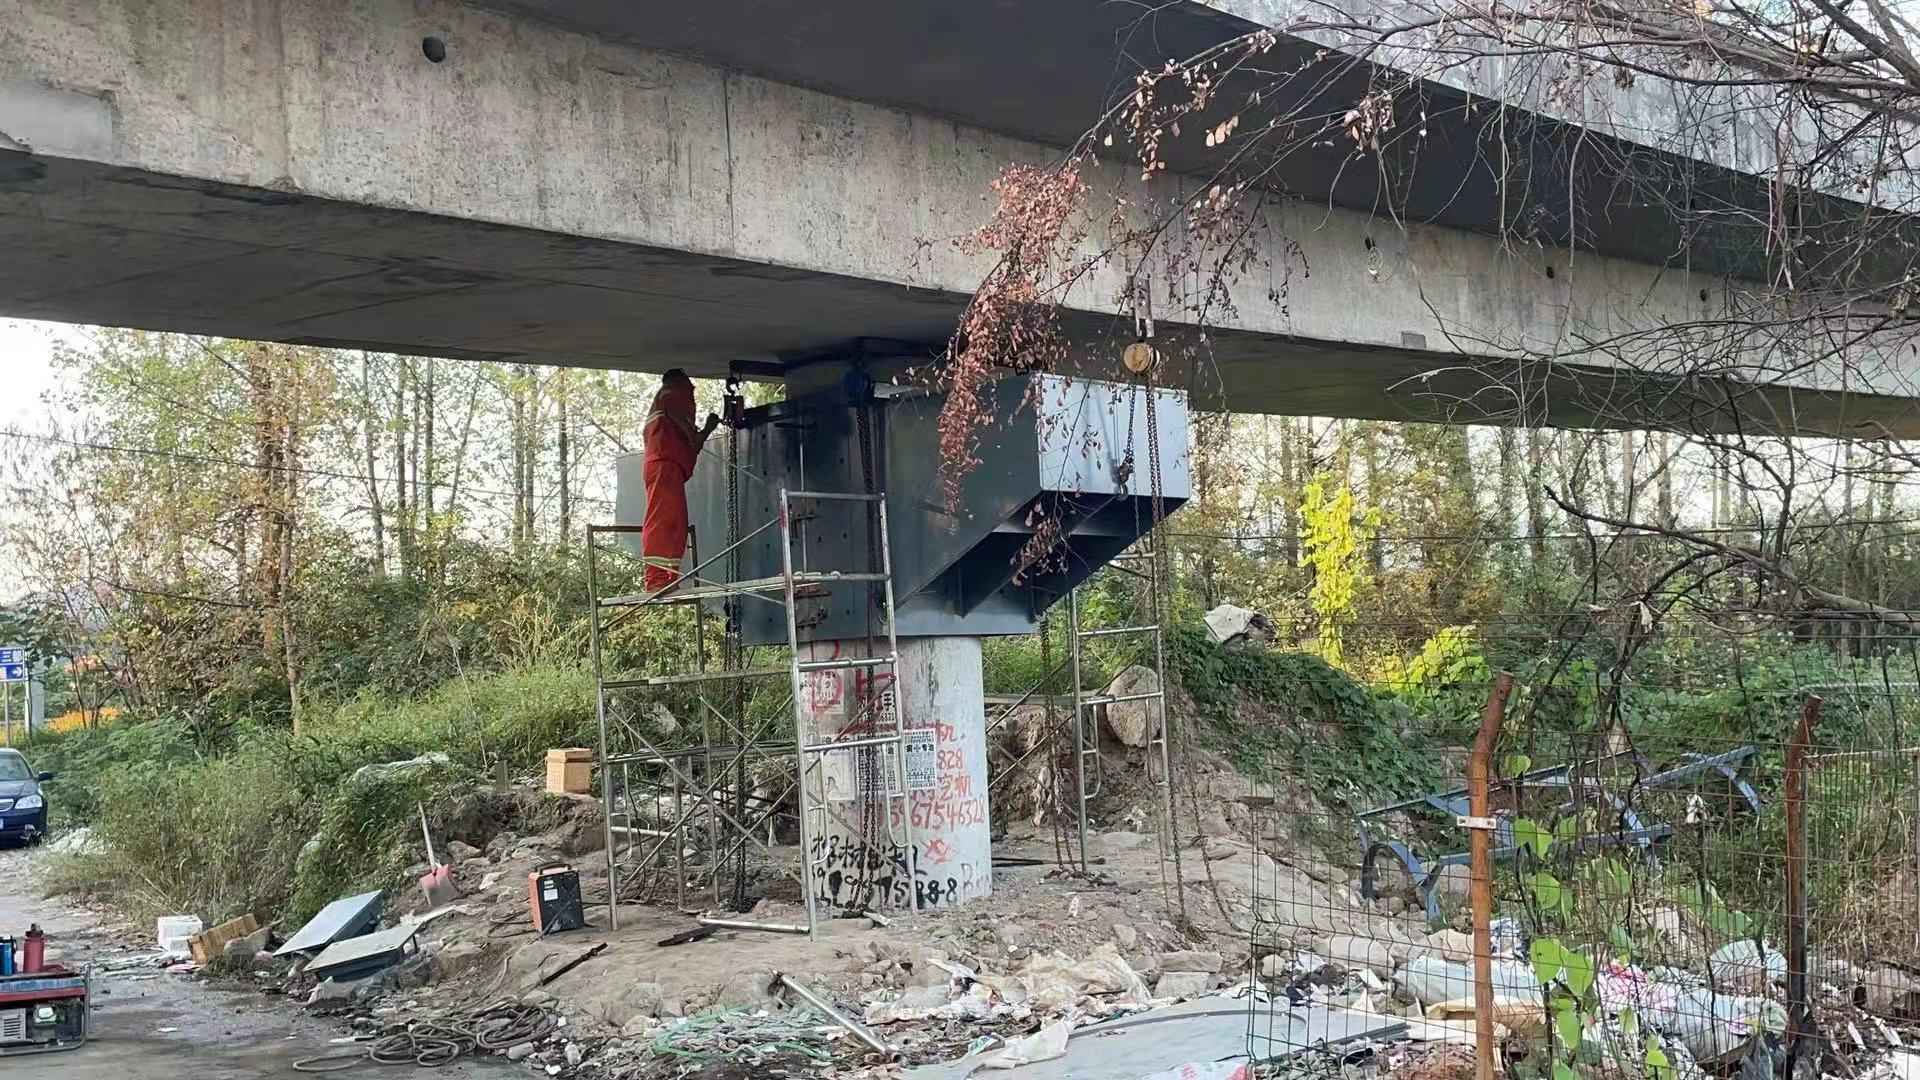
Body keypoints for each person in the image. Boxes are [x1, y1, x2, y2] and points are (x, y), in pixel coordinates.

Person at [641, 370, 721, 593]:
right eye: (689, 388)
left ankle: (668, 577)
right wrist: (701, 430)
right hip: (663, 464)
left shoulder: (671, 408)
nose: (692, 392)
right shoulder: (670, 396)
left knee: (676, 523)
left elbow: (691, 443)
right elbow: (690, 436)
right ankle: (655, 579)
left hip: (670, 467)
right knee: (662, 519)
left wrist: (707, 429)